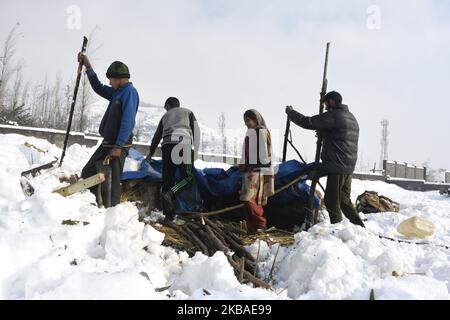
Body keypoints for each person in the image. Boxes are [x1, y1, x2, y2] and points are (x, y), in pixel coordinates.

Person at [285, 91, 365, 227]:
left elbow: (308, 122)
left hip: (337, 165)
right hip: (348, 166)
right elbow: (340, 137)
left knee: (331, 200)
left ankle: (337, 229)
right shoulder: (351, 117)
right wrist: (324, 133)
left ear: (332, 102)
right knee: (344, 200)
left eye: (326, 103)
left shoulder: (333, 115)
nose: (325, 106)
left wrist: (291, 113)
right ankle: (360, 228)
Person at [78, 53, 139, 207]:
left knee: (112, 180)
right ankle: (94, 203)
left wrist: (118, 146)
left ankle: (112, 211)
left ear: (118, 79)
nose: (110, 83)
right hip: (108, 143)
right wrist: (88, 67)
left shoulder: (129, 93)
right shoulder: (116, 92)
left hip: (119, 145)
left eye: (111, 80)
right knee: (88, 172)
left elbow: (128, 122)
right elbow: (98, 87)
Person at [146, 97, 200, 221]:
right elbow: (196, 130)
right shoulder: (188, 112)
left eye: (166, 108)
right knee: (188, 177)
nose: (166, 111)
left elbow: (156, 136)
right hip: (184, 145)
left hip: (167, 147)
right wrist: (195, 149)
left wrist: (150, 153)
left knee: (167, 178)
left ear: (168, 106)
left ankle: (168, 215)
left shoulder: (165, 117)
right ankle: (170, 194)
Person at [238, 109, 275, 234]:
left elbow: (265, 154)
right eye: (245, 121)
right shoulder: (251, 133)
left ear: (255, 119)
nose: (246, 123)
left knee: (251, 199)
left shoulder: (261, 132)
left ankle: (260, 224)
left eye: (248, 120)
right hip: (250, 170)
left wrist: (259, 168)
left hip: (257, 170)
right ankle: (252, 226)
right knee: (247, 198)